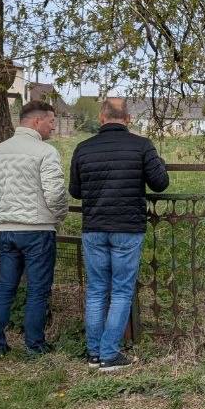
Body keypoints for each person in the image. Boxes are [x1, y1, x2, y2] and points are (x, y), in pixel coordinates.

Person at [69, 97, 169, 371]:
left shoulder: (83, 148)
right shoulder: (141, 146)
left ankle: (93, 352)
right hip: (127, 227)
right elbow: (159, 183)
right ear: (128, 119)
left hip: (94, 227)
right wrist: (157, 160)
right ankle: (109, 354)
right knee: (122, 291)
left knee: (97, 290)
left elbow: (75, 192)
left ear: (101, 118)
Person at [0, 101, 69, 357]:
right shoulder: (45, 152)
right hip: (38, 230)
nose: (53, 127)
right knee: (38, 290)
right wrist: (57, 215)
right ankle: (34, 345)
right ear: (36, 121)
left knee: (5, 287)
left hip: (7, 230)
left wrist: (5, 208)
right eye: (51, 121)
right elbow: (54, 193)